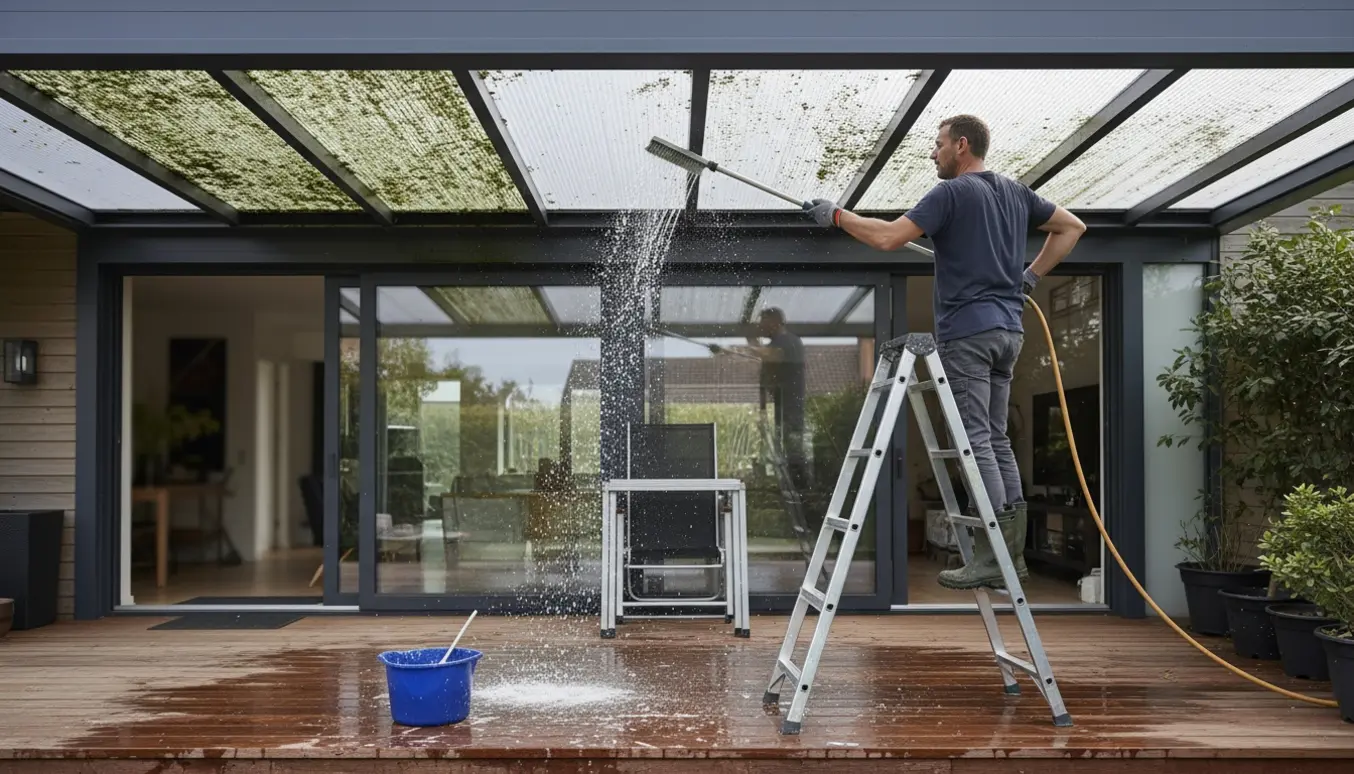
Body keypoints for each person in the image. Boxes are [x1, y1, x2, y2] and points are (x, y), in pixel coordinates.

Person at [805, 114, 1086, 590]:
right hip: (1007, 334)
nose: (932, 153)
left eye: (937, 145)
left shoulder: (951, 194)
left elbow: (888, 238)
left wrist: (836, 215)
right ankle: (1011, 557)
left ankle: (994, 555)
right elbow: (1072, 227)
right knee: (996, 440)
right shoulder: (1017, 193)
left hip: (968, 334)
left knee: (977, 441)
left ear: (961, 145)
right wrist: (1029, 277)